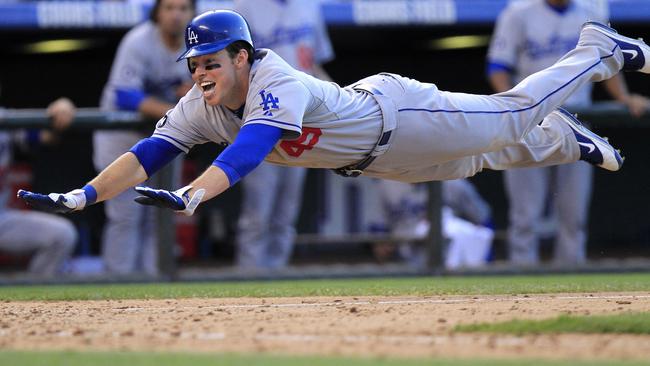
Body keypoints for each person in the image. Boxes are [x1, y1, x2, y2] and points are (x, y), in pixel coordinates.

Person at [15, 10, 650, 243]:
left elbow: (251, 148)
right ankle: (567, 139)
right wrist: (84, 195)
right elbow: (149, 150)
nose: (201, 75)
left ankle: (596, 49)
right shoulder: (200, 101)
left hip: (396, 116)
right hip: (375, 161)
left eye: (210, 63)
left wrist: (194, 192)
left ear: (241, 55)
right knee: (481, 159)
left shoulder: (275, 78)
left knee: (511, 114)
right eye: (194, 65)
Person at [487, 0, 649, 266]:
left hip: (579, 122)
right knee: (525, 214)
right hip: (531, 120)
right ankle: (518, 279)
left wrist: (624, 97)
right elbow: (497, 67)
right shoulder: (519, 13)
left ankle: (571, 279)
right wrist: (507, 107)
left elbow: (607, 62)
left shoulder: (590, 12)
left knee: (573, 214)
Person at [93, 0, 195, 275]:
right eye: (170, 8)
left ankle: (155, 282)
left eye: (183, 8)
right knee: (126, 216)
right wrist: (174, 111)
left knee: (159, 212)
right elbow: (124, 95)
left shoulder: (195, 44)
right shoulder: (138, 41)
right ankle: (118, 281)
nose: (176, 15)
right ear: (157, 12)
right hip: (122, 136)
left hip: (163, 136)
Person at [233, 0, 334, 269]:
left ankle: (274, 280)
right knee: (258, 213)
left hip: (300, 120)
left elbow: (313, 65)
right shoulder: (244, 7)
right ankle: (248, 280)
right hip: (261, 115)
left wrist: (336, 94)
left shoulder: (309, 6)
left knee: (286, 214)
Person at [0, 98, 77, 276]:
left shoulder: (6, 118)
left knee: (61, 235)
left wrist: (60, 108)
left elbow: (46, 137)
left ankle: (32, 297)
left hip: (2, 219)